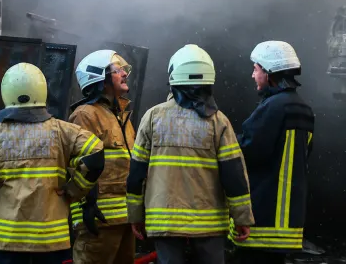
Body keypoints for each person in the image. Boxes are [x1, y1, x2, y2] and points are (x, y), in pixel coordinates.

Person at [0, 62, 105, 264]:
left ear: (7, 93)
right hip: (50, 238)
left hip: (7, 238)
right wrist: (73, 190)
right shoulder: (62, 131)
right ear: (42, 91)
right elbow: (94, 156)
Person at [126, 43, 254, 264]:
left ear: (173, 77)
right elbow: (234, 175)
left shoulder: (153, 117)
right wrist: (241, 217)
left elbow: (136, 173)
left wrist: (135, 215)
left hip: (164, 221)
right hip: (209, 225)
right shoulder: (218, 121)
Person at [229, 41, 315, 264]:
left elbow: (247, 151)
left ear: (269, 73)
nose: (252, 75)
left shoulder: (273, 107)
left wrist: (226, 140)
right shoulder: (304, 109)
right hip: (289, 220)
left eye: (256, 69)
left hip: (262, 217)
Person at [68, 49, 138, 264]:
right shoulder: (85, 115)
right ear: (99, 78)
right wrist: (87, 204)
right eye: (117, 70)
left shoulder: (121, 116)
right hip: (98, 219)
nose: (124, 74)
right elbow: (78, 164)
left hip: (124, 218)